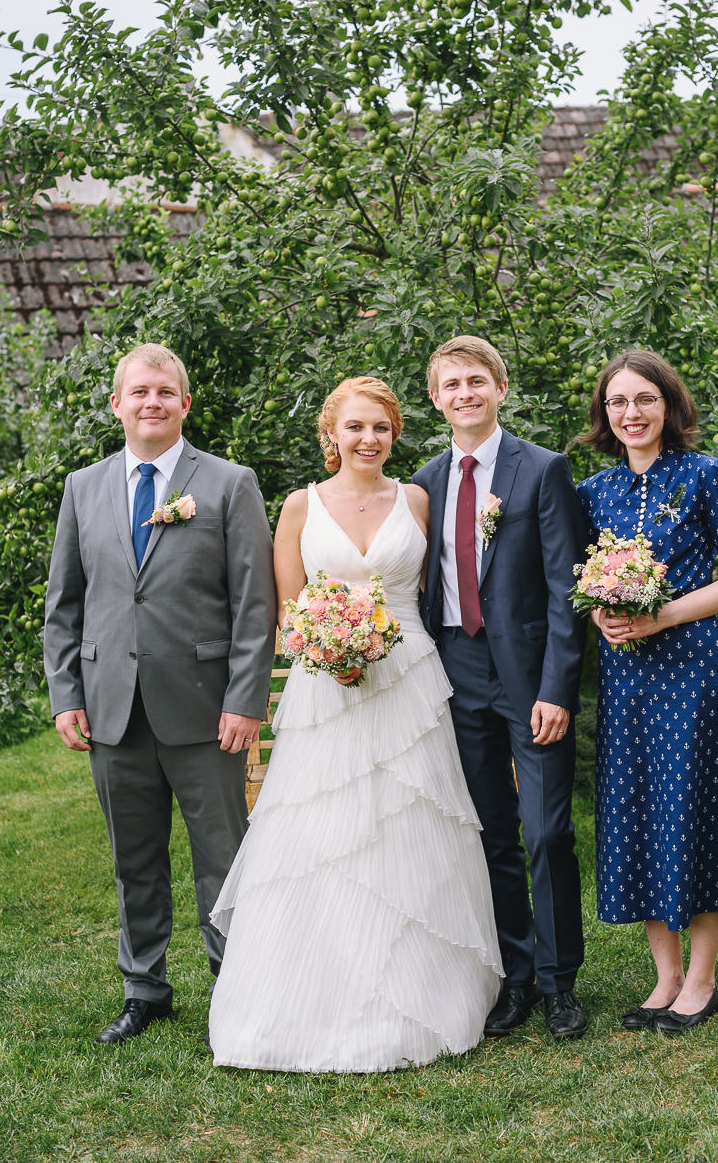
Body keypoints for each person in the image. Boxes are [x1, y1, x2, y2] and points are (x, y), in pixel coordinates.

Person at [208, 376, 502, 1072]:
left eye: (381, 428)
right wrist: (330, 646)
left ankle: (425, 987)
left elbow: (436, 591)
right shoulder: (300, 506)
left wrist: (378, 638)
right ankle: (315, 996)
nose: (369, 439)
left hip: (410, 682)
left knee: (412, 822)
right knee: (324, 832)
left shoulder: (418, 499)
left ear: (395, 434)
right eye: (356, 427)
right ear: (331, 435)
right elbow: (288, 610)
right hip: (326, 685)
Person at [44, 343, 276, 1044]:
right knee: (134, 860)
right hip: (112, 706)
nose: (153, 402)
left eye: (165, 392)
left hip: (206, 707)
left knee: (223, 860)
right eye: (140, 392)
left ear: (185, 403)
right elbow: (64, 604)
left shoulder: (229, 483)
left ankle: (237, 986)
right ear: (117, 403)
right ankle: (144, 990)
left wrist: (245, 700)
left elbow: (254, 605)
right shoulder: (83, 487)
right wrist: (66, 693)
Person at [412, 336, 590, 1044]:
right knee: (490, 832)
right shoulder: (424, 483)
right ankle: (516, 978)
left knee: (546, 831)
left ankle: (560, 982)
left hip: (530, 677)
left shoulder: (541, 470)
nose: (466, 394)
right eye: (452, 384)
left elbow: (566, 590)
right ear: (436, 399)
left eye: (477, 381)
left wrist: (557, 688)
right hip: (455, 670)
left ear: (500, 388)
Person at [575, 349, 718, 1035]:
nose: (632, 413)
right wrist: (600, 612)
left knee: (698, 807)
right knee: (641, 810)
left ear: (668, 405)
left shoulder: (711, 476)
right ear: (605, 414)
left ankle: (702, 980)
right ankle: (667, 976)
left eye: (644, 399)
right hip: (626, 676)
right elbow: (585, 580)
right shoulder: (593, 493)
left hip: (692, 670)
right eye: (618, 402)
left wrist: (665, 614)